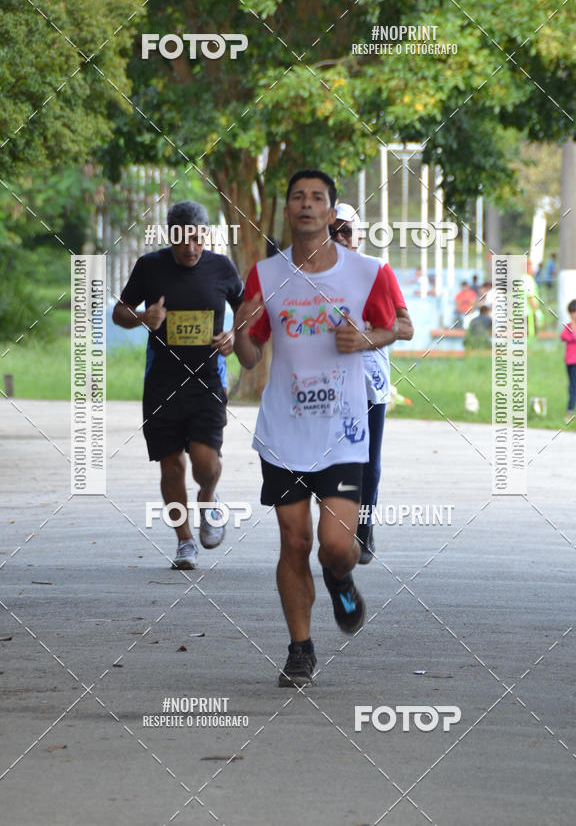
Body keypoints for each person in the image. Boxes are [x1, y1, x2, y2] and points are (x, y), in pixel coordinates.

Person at [233, 170, 401, 687]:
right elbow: (249, 353)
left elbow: (393, 327)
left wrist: (367, 340)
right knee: (294, 541)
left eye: (317, 198)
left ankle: (341, 576)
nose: (307, 205)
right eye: (297, 197)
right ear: (287, 211)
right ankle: (300, 649)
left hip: (344, 429)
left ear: (331, 212)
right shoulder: (265, 275)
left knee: (334, 543)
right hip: (284, 430)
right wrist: (241, 329)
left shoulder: (365, 272)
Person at [112, 201, 244, 569]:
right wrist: (143, 317)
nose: (190, 248)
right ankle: (185, 542)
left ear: (207, 236)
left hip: (207, 382)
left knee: (204, 463)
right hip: (162, 384)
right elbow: (118, 311)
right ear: (170, 235)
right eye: (182, 239)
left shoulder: (221, 267)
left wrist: (233, 334)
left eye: (198, 239)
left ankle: (209, 496)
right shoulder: (150, 267)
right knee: (171, 467)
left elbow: (247, 305)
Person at [329, 202, 413, 563]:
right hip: (324, 384)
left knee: (367, 461)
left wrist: (365, 337)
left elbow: (407, 329)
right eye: (336, 231)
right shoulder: (307, 275)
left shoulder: (378, 271)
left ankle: (364, 528)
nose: (344, 238)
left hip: (367, 381)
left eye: (350, 230)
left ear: (360, 234)